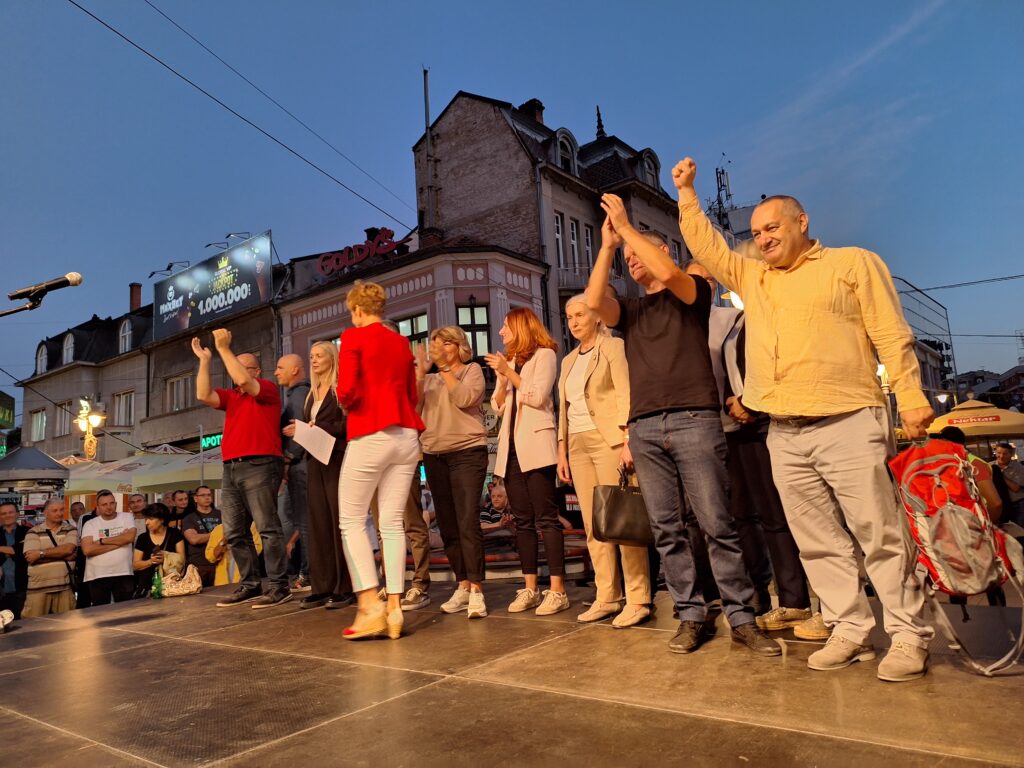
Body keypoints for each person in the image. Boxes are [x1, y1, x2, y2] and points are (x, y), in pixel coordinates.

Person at [674, 156, 935, 681]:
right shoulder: (755, 276)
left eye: (773, 226)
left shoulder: (853, 263)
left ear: (802, 222)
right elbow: (706, 247)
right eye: (757, 232)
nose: (764, 237)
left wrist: (910, 395)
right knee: (816, 539)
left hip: (849, 417)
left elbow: (890, 330)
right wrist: (685, 193)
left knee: (878, 534)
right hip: (784, 431)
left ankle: (909, 634)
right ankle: (850, 628)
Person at [585, 203, 778, 658]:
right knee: (667, 529)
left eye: (639, 253)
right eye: (627, 257)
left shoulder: (692, 294)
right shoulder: (631, 310)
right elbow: (594, 303)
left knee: (716, 523)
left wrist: (629, 228)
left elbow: (669, 274)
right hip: (645, 426)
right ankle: (691, 614)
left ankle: (741, 617)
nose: (632, 260)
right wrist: (608, 245)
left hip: (695, 419)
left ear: (664, 250)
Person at [706, 258, 816, 635]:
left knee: (775, 516)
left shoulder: (764, 318)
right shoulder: (737, 322)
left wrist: (749, 403)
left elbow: (774, 366)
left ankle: (795, 600)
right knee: (742, 517)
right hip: (732, 428)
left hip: (764, 423)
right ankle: (759, 593)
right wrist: (732, 402)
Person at [336, 281, 424, 640]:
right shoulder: (401, 342)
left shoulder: (353, 337)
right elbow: (413, 392)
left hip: (370, 431)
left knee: (352, 521)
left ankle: (369, 604)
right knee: (391, 524)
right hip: (406, 434)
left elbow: (346, 390)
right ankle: (394, 608)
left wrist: (346, 403)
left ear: (357, 310)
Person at [557, 294, 651, 628]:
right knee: (594, 524)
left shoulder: (613, 347)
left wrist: (628, 439)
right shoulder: (568, 360)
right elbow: (565, 411)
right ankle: (607, 596)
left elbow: (626, 392)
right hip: (578, 445)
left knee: (622, 519)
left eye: (580, 314)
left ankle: (638, 598)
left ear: (598, 316)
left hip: (608, 439)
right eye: (569, 317)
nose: (574, 322)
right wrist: (562, 451)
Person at [486, 308, 569, 616]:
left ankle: (558, 590)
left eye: (506, 327)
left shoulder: (545, 355)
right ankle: (530, 588)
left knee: (546, 518)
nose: (501, 333)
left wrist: (510, 374)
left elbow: (537, 396)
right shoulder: (511, 364)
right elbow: (496, 407)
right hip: (511, 451)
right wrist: (501, 378)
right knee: (522, 522)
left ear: (520, 326)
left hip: (536, 445)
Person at [416, 325, 490, 619]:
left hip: (467, 452)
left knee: (467, 521)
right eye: (435, 345)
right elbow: (412, 406)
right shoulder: (430, 378)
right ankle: (462, 583)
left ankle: (477, 589)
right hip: (434, 454)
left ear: (458, 346)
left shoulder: (471, 370)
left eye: (445, 344)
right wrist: (421, 373)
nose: (440, 350)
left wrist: (444, 368)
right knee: (446, 524)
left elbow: (464, 399)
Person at [284, 340, 355, 610]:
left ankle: (345, 587)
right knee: (318, 524)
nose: (313, 360)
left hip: (336, 457)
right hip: (315, 459)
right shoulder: (312, 393)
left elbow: (347, 423)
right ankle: (322, 585)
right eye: (311, 355)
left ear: (332, 358)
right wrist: (303, 430)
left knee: (339, 522)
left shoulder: (340, 389)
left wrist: (316, 426)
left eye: (319, 356)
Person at [276, 353, 312, 592]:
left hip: (302, 466)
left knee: (305, 522)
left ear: (295, 370)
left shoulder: (298, 396)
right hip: (302, 464)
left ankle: (308, 573)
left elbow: (298, 432)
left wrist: (288, 460)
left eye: (280, 368)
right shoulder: (297, 394)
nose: (276, 372)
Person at [22, 498, 78, 617]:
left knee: (67, 627)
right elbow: (31, 557)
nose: (59, 513)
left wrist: (40, 554)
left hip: (65, 587)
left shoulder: (71, 530)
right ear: (45, 513)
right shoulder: (33, 532)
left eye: (61, 510)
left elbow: (68, 549)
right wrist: (63, 556)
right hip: (38, 588)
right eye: (55, 510)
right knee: (33, 627)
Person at [80, 490, 137, 605]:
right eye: (104, 504)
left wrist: (101, 541)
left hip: (124, 572)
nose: (109, 507)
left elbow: (130, 538)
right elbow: (87, 550)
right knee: (100, 614)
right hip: (97, 575)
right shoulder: (90, 524)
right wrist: (121, 540)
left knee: (126, 612)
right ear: (98, 507)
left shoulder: (127, 517)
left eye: (111, 503)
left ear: (116, 504)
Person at [133, 504, 186, 595]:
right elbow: (135, 565)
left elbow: (182, 559)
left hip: (171, 587)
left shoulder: (175, 534)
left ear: (162, 519)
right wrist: (151, 561)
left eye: (151, 519)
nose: (147, 522)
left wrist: (166, 557)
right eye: (146, 519)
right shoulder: (143, 538)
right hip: (147, 587)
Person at [181, 486, 220, 586]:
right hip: (199, 564)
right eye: (203, 495)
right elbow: (194, 539)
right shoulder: (189, 518)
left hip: (220, 562)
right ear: (195, 498)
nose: (207, 497)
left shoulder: (221, 515)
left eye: (209, 495)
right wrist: (218, 534)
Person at [205, 521, 263, 586]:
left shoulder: (251, 526)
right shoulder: (218, 529)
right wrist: (223, 542)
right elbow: (210, 556)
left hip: (244, 576)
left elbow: (257, 548)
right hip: (222, 582)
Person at [0, 501, 30, 618]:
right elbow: (17, 551)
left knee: (23, 623)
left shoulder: (27, 532)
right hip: (1, 589)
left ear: (17, 514)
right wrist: (12, 551)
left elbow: (24, 553)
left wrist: (14, 551)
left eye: (10, 512)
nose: (7, 515)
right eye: (3, 513)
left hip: (22, 587)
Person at [993, 442, 1024, 524]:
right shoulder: (989, 466)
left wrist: (999, 475)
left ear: (1011, 455)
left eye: (1005, 454)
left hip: (1017, 505)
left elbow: (1016, 488)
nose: (1001, 456)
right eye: (999, 453)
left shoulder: (1019, 467)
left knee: (1019, 530)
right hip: (1000, 506)